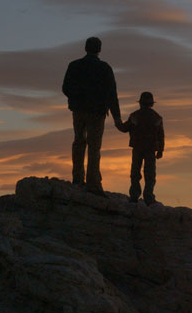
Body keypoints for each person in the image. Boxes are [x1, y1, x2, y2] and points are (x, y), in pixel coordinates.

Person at [62, 37, 122, 196]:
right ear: (99, 49)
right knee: (94, 146)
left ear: (85, 48)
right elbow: (111, 94)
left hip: (79, 110)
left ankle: (77, 179)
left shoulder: (74, 66)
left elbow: (65, 88)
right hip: (97, 112)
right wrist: (117, 117)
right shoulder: (104, 68)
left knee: (79, 142)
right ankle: (93, 183)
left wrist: (76, 100)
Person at [117, 91, 164, 205]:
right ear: (152, 104)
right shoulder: (157, 117)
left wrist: (117, 121)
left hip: (137, 148)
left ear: (140, 103)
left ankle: (134, 196)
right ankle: (148, 197)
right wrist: (160, 150)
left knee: (135, 172)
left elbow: (124, 128)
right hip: (151, 149)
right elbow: (161, 136)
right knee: (150, 174)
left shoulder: (135, 116)